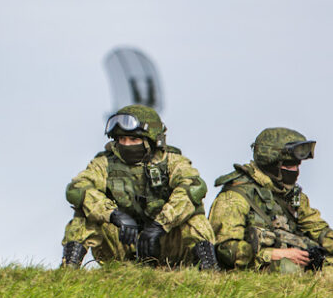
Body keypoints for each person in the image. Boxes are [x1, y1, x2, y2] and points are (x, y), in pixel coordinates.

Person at [60, 105, 217, 270]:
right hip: (123, 244)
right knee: (85, 211)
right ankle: (69, 269)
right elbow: (77, 189)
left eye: (133, 139)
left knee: (193, 212)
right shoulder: (104, 163)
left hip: (168, 245)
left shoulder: (172, 161)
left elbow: (193, 187)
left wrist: (160, 225)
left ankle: (209, 268)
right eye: (122, 139)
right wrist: (113, 215)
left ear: (151, 141)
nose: (126, 144)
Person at [208, 128, 333, 276]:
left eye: (297, 165)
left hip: (300, 264)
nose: (295, 170)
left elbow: (318, 229)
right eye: (288, 165)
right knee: (288, 270)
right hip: (260, 268)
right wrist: (273, 254)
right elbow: (226, 250)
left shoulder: (292, 196)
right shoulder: (235, 197)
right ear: (271, 163)